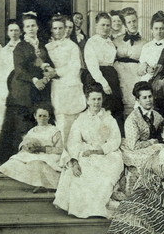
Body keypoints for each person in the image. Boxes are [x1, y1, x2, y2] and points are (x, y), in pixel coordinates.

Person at [0, 11, 56, 163]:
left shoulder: (42, 46)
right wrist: (35, 80)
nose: (31, 29)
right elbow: (19, 70)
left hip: (39, 88)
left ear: (37, 27)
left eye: (33, 25)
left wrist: (47, 76)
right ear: (24, 29)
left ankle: (35, 155)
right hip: (23, 89)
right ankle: (18, 157)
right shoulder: (20, 47)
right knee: (21, 124)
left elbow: (49, 65)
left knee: (37, 121)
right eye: (28, 26)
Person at [53, 83, 124, 219]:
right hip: (85, 152)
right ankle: (86, 208)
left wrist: (100, 151)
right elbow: (74, 141)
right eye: (93, 99)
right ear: (87, 100)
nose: (96, 102)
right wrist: (74, 161)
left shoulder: (108, 118)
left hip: (106, 153)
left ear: (102, 100)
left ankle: (99, 206)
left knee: (104, 177)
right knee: (81, 174)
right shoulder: (81, 119)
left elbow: (115, 139)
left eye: (99, 99)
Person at [0, 105, 62, 192]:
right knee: (14, 161)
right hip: (33, 153)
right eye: (39, 116)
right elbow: (23, 142)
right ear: (35, 116)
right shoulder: (32, 130)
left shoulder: (54, 130)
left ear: (49, 117)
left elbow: (60, 149)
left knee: (36, 164)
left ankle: (43, 185)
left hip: (48, 155)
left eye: (45, 116)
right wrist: (26, 147)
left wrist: (42, 149)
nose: (42, 118)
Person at [45, 15, 86, 145]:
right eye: (55, 28)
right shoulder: (47, 47)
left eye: (61, 28)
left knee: (71, 122)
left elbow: (75, 67)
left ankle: (70, 153)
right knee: (58, 120)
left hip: (70, 87)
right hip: (55, 87)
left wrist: (56, 72)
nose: (58, 31)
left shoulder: (72, 46)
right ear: (51, 29)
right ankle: (59, 151)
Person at [120, 82, 164, 197]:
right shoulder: (132, 119)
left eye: (150, 96)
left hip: (153, 148)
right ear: (138, 100)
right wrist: (150, 142)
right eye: (144, 97)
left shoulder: (157, 115)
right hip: (135, 150)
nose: (148, 100)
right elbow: (133, 146)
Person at [84, 12, 125, 135]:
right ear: (96, 26)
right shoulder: (91, 42)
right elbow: (92, 66)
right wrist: (104, 84)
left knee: (116, 108)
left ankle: (116, 139)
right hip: (98, 78)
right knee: (101, 108)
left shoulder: (110, 42)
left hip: (111, 75)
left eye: (108, 25)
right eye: (103, 25)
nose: (106, 28)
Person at [0, 19, 21, 151]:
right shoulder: (4, 50)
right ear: (8, 32)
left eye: (16, 30)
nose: (14, 33)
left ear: (21, 32)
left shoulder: (23, 48)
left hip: (18, 84)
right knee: (0, 115)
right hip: (4, 85)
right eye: (11, 30)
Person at [113, 7, 146, 115]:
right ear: (125, 24)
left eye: (134, 21)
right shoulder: (116, 41)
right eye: (129, 22)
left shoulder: (145, 43)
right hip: (120, 77)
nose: (132, 24)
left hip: (135, 77)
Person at [138, 10, 164, 82]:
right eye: (156, 28)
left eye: (161, 28)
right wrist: (147, 69)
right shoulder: (146, 46)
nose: (159, 32)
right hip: (148, 78)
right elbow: (141, 67)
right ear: (151, 29)